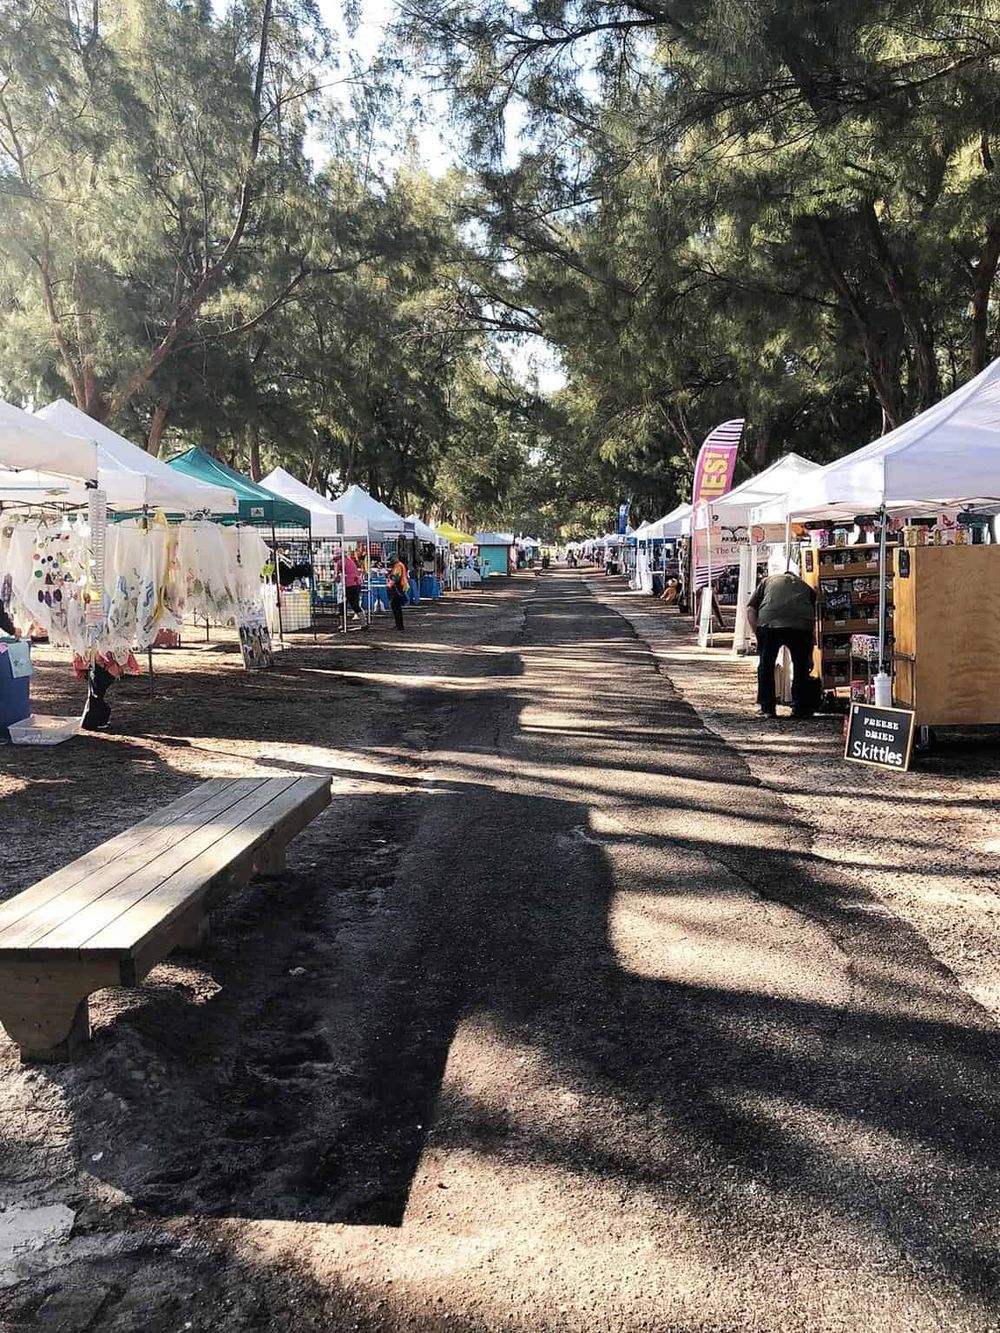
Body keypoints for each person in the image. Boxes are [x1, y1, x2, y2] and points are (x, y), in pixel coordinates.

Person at [747, 569, 817, 718]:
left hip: (770, 621)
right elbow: (813, 619)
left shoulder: (767, 581)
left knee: (766, 665)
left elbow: (750, 609)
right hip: (801, 623)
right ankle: (800, 707)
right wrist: (809, 656)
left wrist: (759, 635)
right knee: (800, 666)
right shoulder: (804, 586)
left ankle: (767, 708)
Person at [386, 554, 409, 631]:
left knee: (396, 607)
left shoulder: (398, 566)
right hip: (399, 587)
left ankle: (399, 626)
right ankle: (398, 625)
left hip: (397, 588)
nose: (390, 561)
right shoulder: (398, 565)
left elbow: (396, 577)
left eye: (391, 559)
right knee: (396, 607)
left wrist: (390, 576)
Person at [342, 549, 363, 622]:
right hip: (357, 584)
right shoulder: (352, 562)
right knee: (356, 604)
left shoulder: (340, 562)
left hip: (349, 585)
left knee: (343, 604)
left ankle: (343, 624)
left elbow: (337, 577)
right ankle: (363, 621)